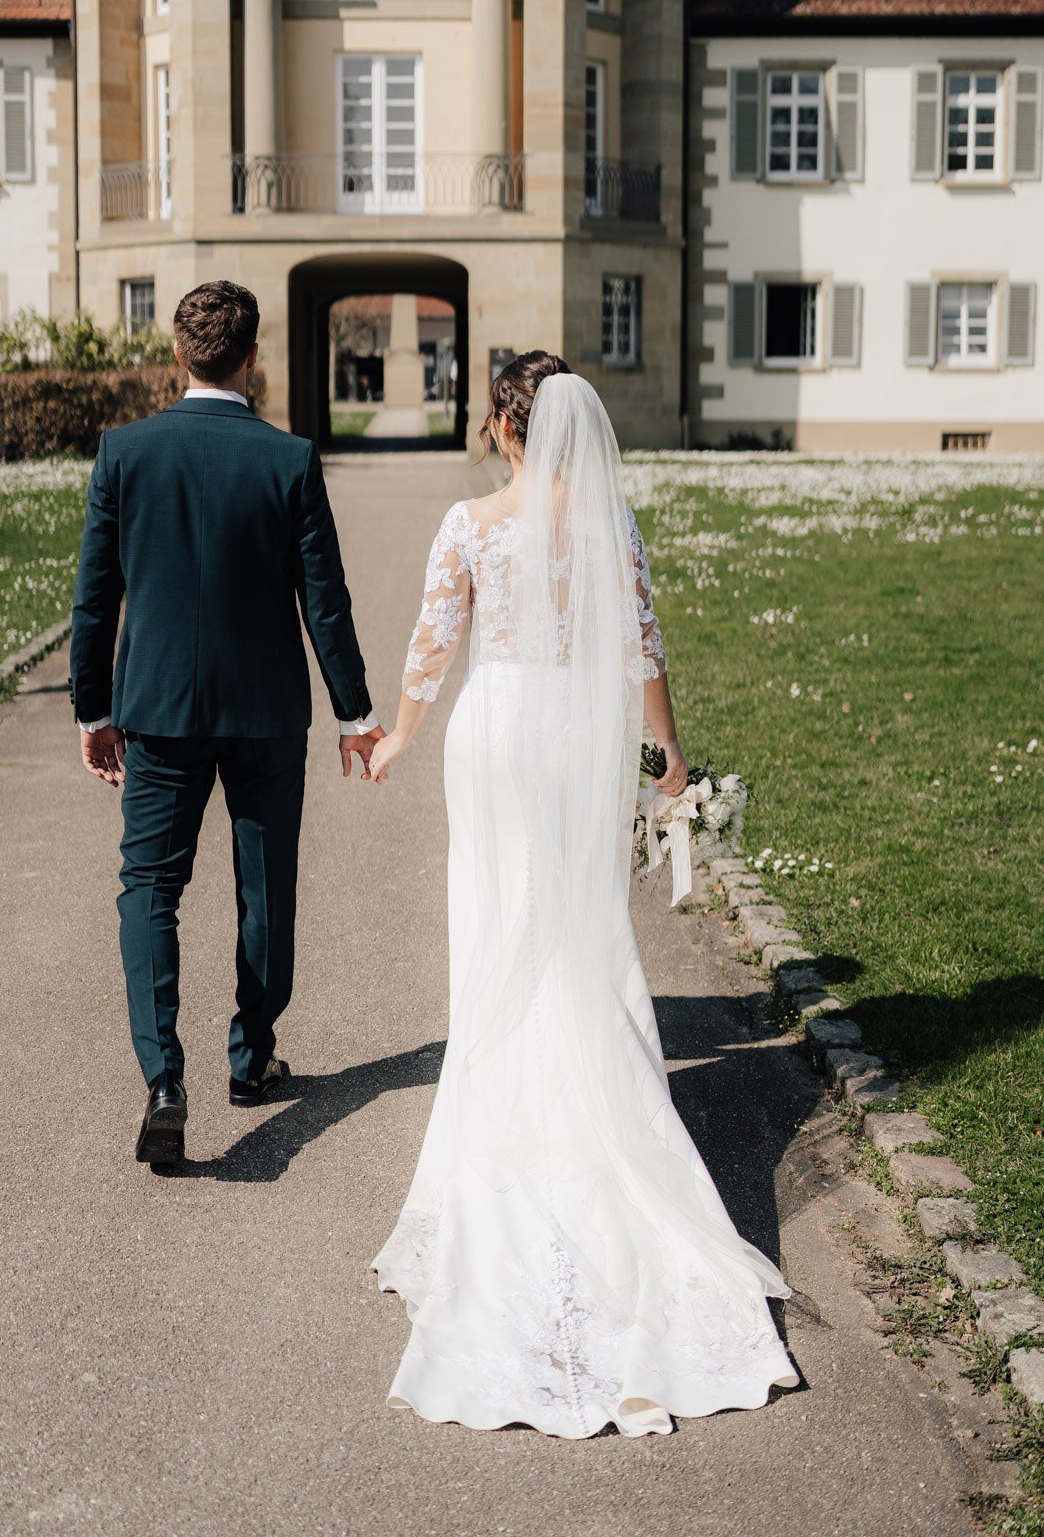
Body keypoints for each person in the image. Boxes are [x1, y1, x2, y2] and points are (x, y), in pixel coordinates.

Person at [366, 351, 798, 1437]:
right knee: (580, 930)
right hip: (573, 736)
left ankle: (509, 1109)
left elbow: (434, 640)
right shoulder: (610, 525)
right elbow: (642, 649)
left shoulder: (471, 523)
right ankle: (595, 1101)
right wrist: (670, 756)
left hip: (495, 731)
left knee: (497, 924)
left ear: (504, 427)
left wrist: (400, 736)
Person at [69, 280, 383, 1165]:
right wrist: (354, 712)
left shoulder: (125, 452)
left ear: (179, 354)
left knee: (150, 888)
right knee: (266, 885)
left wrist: (93, 709)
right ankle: (251, 1058)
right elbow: (325, 600)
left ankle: (164, 1080)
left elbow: (94, 598)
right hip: (265, 711)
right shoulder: (289, 460)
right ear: (252, 359)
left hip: (157, 710)